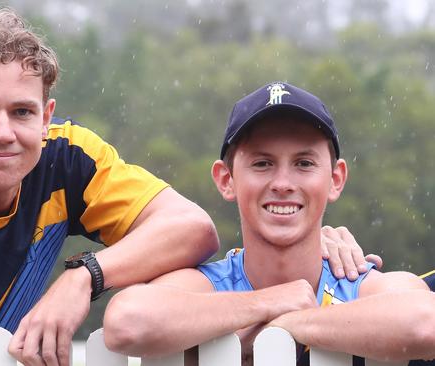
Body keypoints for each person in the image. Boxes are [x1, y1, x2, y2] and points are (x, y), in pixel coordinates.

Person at [0, 10, 371, 366]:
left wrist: (82, 279)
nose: (3, 132)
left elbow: (192, 230)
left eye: (22, 112)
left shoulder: (67, 157)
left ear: (47, 116)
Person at [104, 82, 435, 365]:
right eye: (262, 163)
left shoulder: (359, 285)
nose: (283, 182)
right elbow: (127, 323)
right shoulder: (208, 285)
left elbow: (426, 323)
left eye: (304, 163)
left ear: (335, 179)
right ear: (226, 179)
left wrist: (287, 324)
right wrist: (268, 302)